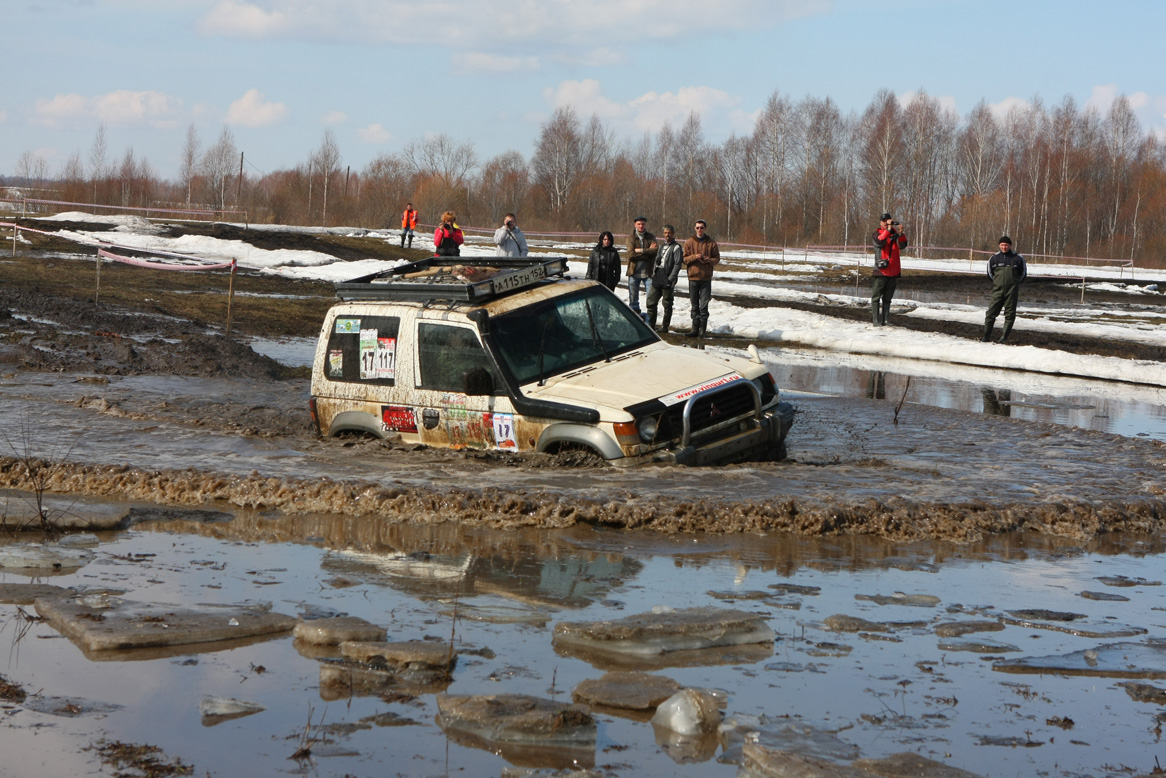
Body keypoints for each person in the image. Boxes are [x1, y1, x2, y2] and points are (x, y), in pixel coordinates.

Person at [982, 235, 1027, 343]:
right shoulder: (994, 258)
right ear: (999, 245)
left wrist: (1014, 284)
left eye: (1006, 245)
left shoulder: (1018, 258)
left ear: (1010, 245)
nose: (1004, 247)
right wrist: (998, 284)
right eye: (1002, 245)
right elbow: (990, 274)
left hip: (1012, 292)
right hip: (997, 291)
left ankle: (1003, 338)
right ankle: (986, 336)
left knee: (1010, 314)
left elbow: (1023, 274)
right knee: (990, 314)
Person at [682, 219, 720, 338]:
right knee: (694, 305)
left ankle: (702, 330)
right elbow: (684, 259)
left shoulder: (712, 243)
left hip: (706, 279)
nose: (699, 229)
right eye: (697, 227)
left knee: (704, 306)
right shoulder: (689, 242)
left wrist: (709, 260)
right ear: (695, 228)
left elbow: (717, 259)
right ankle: (694, 329)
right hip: (693, 278)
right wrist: (694, 257)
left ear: (705, 228)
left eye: (701, 227)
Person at [646, 224, 683, 333]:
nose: (667, 235)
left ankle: (665, 327)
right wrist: (654, 273)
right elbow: (656, 260)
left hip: (667, 278)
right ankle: (651, 326)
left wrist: (670, 279)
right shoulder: (662, 246)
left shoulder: (676, 247)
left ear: (673, 234)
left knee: (667, 304)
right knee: (651, 302)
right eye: (665, 233)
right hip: (658, 276)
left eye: (669, 233)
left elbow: (677, 265)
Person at [871, 212, 906, 326]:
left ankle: (885, 320)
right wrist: (889, 229)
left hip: (893, 271)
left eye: (888, 220)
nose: (886, 223)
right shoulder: (876, 233)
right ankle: (875, 320)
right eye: (884, 221)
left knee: (887, 298)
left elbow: (902, 245)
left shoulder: (894, 234)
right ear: (880, 222)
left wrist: (900, 234)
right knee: (876, 297)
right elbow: (880, 241)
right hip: (881, 271)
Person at [625, 216, 658, 320]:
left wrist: (641, 250)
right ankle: (635, 321)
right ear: (635, 225)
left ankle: (650, 322)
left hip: (648, 273)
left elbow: (655, 251)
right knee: (633, 300)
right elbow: (631, 255)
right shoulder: (630, 238)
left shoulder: (651, 237)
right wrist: (648, 253)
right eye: (639, 224)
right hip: (634, 273)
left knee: (651, 300)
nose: (641, 226)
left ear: (645, 224)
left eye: (643, 224)